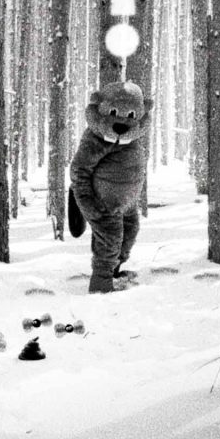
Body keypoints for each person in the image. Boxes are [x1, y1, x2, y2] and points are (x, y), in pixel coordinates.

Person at [69, 81, 152, 293]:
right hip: (103, 204)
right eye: (114, 112)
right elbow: (80, 171)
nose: (122, 122)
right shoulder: (96, 140)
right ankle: (101, 284)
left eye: (130, 116)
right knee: (109, 241)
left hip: (126, 204)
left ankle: (114, 270)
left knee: (128, 235)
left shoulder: (133, 140)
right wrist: (87, 203)